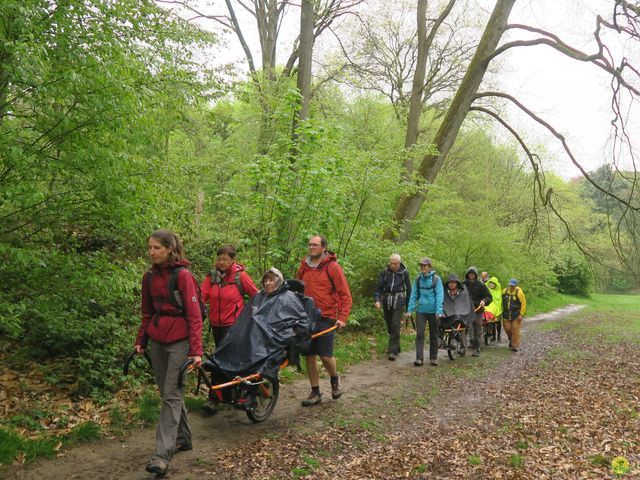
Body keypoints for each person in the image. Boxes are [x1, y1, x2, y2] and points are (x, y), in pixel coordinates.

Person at [134, 230, 203, 476]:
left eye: (156, 248)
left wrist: (196, 351)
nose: (152, 252)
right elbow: (146, 311)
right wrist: (140, 340)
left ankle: (162, 456)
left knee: (171, 395)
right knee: (167, 392)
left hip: (180, 342)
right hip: (157, 341)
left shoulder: (183, 276)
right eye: (150, 247)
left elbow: (194, 316)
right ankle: (183, 437)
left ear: (170, 249)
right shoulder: (149, 277)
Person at [209, 268, 310, 382]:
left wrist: (281, 333)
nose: (267, 283)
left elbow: (302, 322)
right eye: (265, 280)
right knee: (233, 343)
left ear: (278, 281)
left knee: (254, 353)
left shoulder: (288, 298)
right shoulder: (260, 296)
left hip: (273, 339)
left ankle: (251, 389)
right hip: (257, 335)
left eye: (271, 280)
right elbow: (248, 317)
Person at [297, 235, 352, 406]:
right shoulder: (304, 266)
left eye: (315, 245)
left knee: (325, 356)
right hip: (306, 317)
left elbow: (345, 295)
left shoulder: (333, 267)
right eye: (310, 244)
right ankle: (315, 392)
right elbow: (298, 290)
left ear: (323, 247)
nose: (311, 247)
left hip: (326, 317)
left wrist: (342, 318)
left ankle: (334, 379)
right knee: (309, 355)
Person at [201, 245, 259, 346]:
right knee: (219, 354)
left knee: (226, 354)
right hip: (215, 324)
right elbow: (202, 296)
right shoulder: (212, 276)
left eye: (225, 259)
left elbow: (256, 295)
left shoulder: (240, 276)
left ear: (233, 260)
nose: (221, 262)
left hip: (233, 324)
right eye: (219, 259)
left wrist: (251, 314)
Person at [374, 254, 412, 361]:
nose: (392, 265)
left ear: (399, 264)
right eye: (391, 263)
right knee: (389, 324)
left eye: (395, 264)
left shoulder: (404, 273)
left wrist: (409, 307)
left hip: (399, 300)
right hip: (387, 300)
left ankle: (392, 351)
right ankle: (397, 345)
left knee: (395, 323)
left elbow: (409, 290)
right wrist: (377, 300)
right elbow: (378, 289)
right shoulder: (385, 273)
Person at [407, 258, 444, 366]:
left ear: (429, 267)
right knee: (420, 334)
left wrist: (439, 311)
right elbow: (413, 295)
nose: (423, 267)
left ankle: (433, 357)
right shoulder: (418, 279)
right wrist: (410, 309)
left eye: (425, 265)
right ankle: (419, 358)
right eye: (421, 266)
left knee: (434, 334)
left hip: (433, 312)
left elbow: (440, 295)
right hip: (421, 311)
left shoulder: (436, 279)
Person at [441, 274, 475, 354]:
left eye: (453, 282)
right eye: (450, 282)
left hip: (461, 313)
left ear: (457, 283)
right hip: (448, 313)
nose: (451, 284)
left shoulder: (462, 292)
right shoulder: (445, 292)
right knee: (440, 318)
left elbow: (465, 303)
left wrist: (460, 312)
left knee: (460, 323)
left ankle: (462, 348)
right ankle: (440, 339)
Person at [463, 267, 492, 357]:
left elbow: (489, 297)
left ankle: (477, 348)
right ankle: (462, 347)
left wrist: (484, 301)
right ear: (467, 274)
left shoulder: (481, 285)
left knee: (477, 328)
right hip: (465, 309)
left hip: (477, 309)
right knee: (462, 328)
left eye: (473, 273)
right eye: (470, 273)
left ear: (475, 275)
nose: (471, 275)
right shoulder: (463, 284)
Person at [502, 279, 527, 352]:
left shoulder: (519, 293)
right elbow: (499, 301)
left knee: (515, 330)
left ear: (516, 286)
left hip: (516, 314)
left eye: (513, 286)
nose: (511, 287)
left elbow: (523, 304)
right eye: (510, 285)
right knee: (507, 329)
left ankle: (515, 345)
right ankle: (511, 341)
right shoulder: (504, 291)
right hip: (506, 314)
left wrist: (521, 314)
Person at [485, 276, 503, 342]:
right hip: (489, 308)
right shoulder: (488, 290)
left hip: (497, 309)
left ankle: (498, 335)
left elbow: (499, 301)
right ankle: (493, 336)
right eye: (490, 283)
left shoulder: (498, 291)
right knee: (491, 322)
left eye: (493, 283)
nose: (491, 284)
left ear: (496, 284)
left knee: (498, 322)